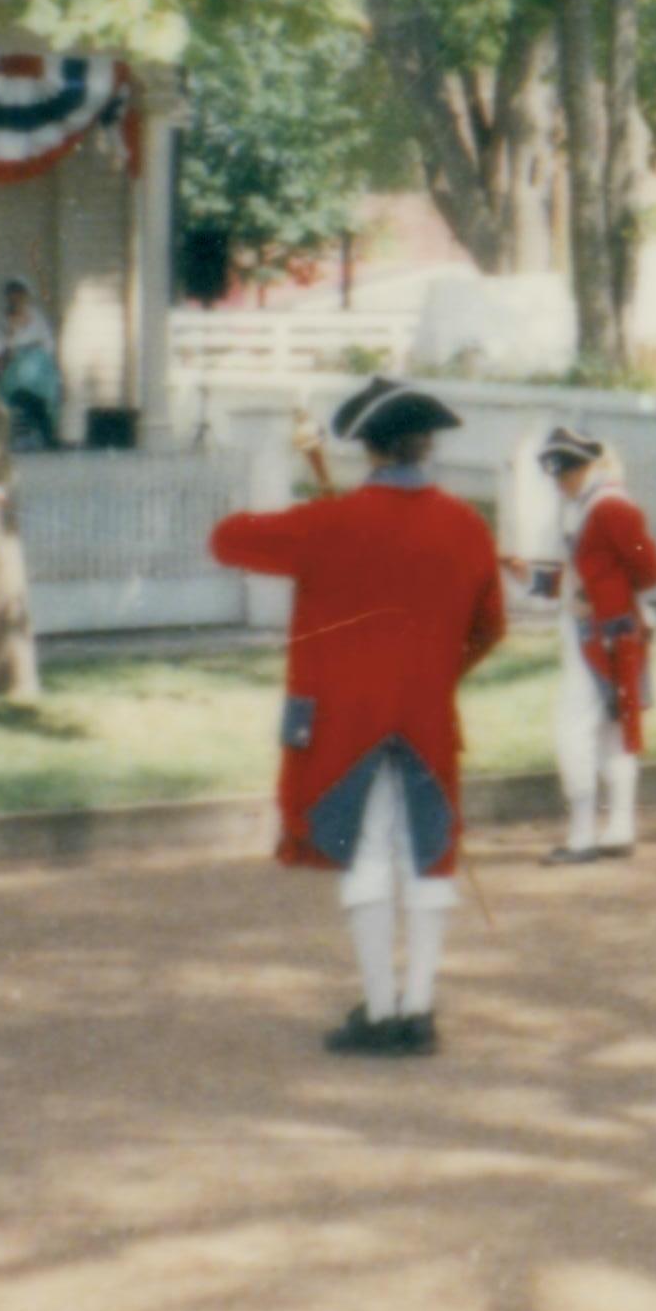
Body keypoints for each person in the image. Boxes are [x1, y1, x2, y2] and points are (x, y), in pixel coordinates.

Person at [209, 378, 506, 1057]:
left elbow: (229, 539)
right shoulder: (467, 525)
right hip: (428, 714)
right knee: (430, 855)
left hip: (346, 724)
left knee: (368, 854)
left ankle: (379, 1010)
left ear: (366, 449)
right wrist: (436, 672)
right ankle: (419, 1008)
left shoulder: (330, 523)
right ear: (427, 446)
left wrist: (308, 499)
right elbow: (489, 628)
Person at [533, 427, 656, 867]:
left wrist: (602, 596)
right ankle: (618, 828)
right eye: (557, 471)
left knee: (576, 728)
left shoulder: (609, 506)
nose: (560, 479)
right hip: (593, 631)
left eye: (568, 469)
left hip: (606, 632)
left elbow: (650, 569)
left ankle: (584, 832)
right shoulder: (588, 506)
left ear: (590, 464)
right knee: (612, 729)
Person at [0, 279, 63, 452]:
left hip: (39, 368)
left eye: (20, 293)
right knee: (19, 386)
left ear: (26, 296)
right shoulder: (1, 320)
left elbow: (48, 345)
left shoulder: (36, 317)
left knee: (44, 385)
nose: (16, 298)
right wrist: (10, 333)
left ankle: (45, 431)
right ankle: (29, 430)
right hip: (14, 368)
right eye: (12, 293)